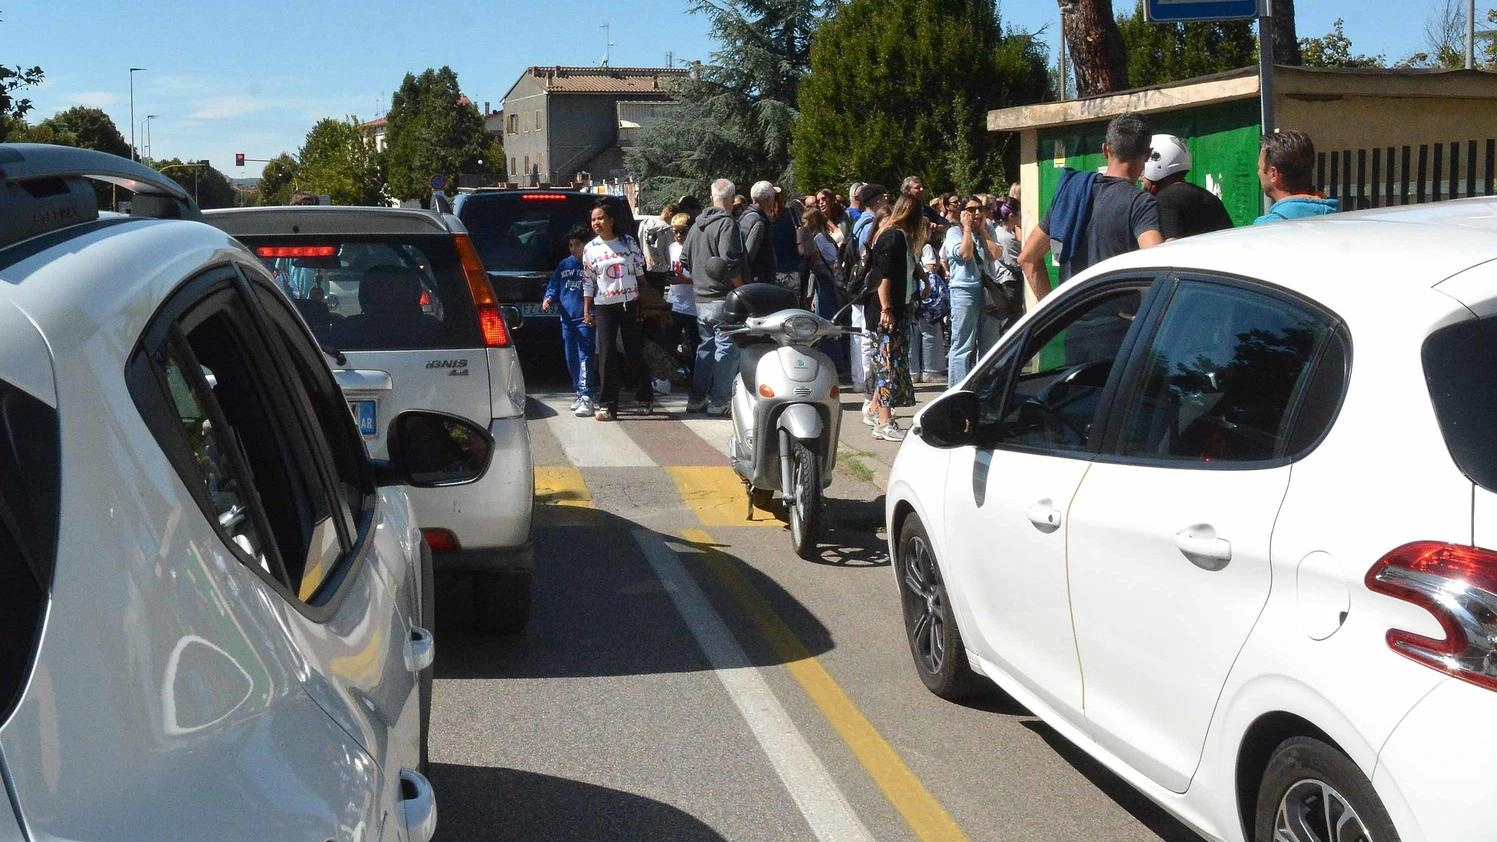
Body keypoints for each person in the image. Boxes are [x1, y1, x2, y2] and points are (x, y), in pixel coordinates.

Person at [1018, 111, 1163, 303]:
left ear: (1105, 150)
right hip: (1119, 327)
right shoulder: (1141, 204)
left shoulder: (1069, 194)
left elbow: (1027, 258)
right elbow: (1160, 265)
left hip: (1071, 322)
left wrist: (1052, 310)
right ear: (1147, 154)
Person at [580, 202, 651, 421]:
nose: (596, 223)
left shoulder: (627, 242)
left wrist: (646, 298)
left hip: (629, 303)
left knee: (633, 351)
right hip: (604, 305)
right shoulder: (590, 248)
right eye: (593, 220)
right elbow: (588, 281)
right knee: (606, 353)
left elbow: (640, 274)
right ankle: (607, 405)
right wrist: (587, 309)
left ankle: (645, 396)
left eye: (600, 218)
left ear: (611, 220)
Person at [682, 177, 746, 415]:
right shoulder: (727, 224)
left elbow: (684, 260)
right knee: (726, 349)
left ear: (712, 197)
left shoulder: (697, 224)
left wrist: (700, 276)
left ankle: (697, 399)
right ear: (730, 200)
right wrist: (741, 290)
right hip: (722, 296)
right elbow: (728, 262)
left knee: (705, 348)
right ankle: (719, 402)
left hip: (700, 297)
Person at [865, 194, 925, 441]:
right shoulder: (893, 236)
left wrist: (924, 280)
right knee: (887, 367)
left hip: (897, 310)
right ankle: (884, 422)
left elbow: (906, 268)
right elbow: (884, 276)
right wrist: (886, 308)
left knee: (890, 363)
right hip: (887, 312)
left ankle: (874, 411)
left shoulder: (899, 236)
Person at [943, 196, 1005, 384]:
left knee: (990, 344)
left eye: (980, 209)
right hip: (964, 291)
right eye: (971, 210)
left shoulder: (989, 230)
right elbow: (965, 253)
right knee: (962, 345)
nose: (977, 213)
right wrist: (968, 229)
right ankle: (957, 390)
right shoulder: (954, 232)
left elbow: (995, 254)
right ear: (963, 213)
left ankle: (984, 389)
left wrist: (983, 231)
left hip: (988, 291)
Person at [542, 226, 596, 417]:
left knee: (585, 357)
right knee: (570, 357)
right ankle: (578, 391)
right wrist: (549, 298)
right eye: (571, 245)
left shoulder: (592, 264)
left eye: (577, 245)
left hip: (585, 318)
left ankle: (587, 395)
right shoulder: (565, 265)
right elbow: (554, 285)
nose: (574, 249)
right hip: (567, 319)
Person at [1142, 134, 1233, 240]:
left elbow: (1170, 246)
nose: (1141, 177)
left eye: (1143, 167)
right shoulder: (1209, 197)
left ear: (1157, 164)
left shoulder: (1166, 199)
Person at [1254, 129, 1340, 223]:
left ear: (1273, 174)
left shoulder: (1265, 227)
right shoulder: (1339, 217)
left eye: (1260, 168)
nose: (1258, 173)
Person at [910, 222, 948, 385]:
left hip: (911, 293)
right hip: (926, 296)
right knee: (930, 332)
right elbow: (931, 268)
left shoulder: (908, 245)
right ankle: (931, 370)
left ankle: (912, 371)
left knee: (912, 333)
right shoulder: (926, 248)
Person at [664, 212, 697, 373]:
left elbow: (702, 279)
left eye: (682, 231)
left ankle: (695, 377)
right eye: (674, 231)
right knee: (669, 342)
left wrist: (684, 280)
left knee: (694, 344)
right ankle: (671, 374)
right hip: (675, 301)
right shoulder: (672, 248)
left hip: (693, 305)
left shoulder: (695, 248)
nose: (678, 235)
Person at [740, 180, 779, 287]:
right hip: (758, 282)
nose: (774, 202)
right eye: (773, 198)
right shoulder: (759, 223)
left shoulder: (745, 217)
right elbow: (748, 256)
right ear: (767, 200)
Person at [638, 202, 678, 286]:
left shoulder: (644, 223)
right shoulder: (667, 229)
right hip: (660, 268)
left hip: (644, 265)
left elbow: (639, 241)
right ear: (671, 215)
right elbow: (669, 250)